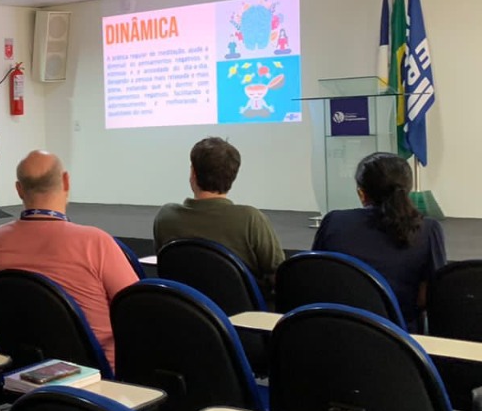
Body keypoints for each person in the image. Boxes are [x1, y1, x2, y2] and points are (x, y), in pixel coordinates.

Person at [0, 150, 138, 370]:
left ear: (18, 190)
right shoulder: (95, 243)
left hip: (25, 373)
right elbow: (139, 311)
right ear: (66, 181)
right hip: (98, 379)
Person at [313, 152, 447, 331]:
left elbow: (316, 276)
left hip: (336, 335)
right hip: (399, 342)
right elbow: (430, 296)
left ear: (361, 193)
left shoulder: (334, 222)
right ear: (407, 189)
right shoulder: (428, 230)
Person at [153, 137, 284, 290]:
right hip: (243, 311)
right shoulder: (250, 220)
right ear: (232, 176)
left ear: (193, 174)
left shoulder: (166, 217)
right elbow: (280, 274)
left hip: (185, 308)